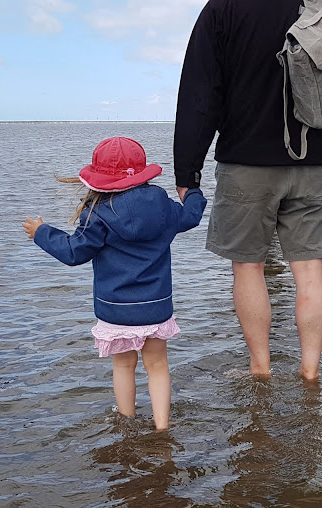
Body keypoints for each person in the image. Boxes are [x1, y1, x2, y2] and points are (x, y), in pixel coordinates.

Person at [173, 1, 322, 379]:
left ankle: (260, 368)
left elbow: (200, 93)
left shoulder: (224, 8)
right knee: (311, 269)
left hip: (245, 165)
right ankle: (310, 371)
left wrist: (188, 171)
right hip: (314, 163)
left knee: (249, 268)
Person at [22, 137, 207, 429]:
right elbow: (192, 215)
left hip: (116, 309)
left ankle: (126, 423)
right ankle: (162, 426)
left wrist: (42, 233)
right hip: (156, 306)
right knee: (157, 367)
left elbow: (73, 252)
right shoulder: (162, 205)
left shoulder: (97, 213)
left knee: (123, 366)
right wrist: (192, 192)